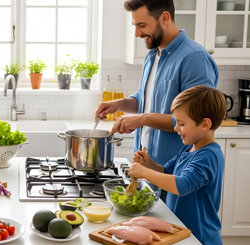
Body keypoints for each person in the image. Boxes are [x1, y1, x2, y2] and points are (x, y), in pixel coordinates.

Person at [95, 0, 218, 166]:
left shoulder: (194, 58)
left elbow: (197, 120)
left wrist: (141, 119)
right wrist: (120, 104)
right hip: (146, 163)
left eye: (142, 25)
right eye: (135, 26)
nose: (137, 33)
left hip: (176, 172)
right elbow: (146, 101)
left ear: (165, 18)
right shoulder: (153, 55)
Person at [129, 85, 227, 245]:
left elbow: (181, 185)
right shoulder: (188, 148)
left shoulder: (208, 156)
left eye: (181, 123)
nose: (175, 128)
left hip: (200, 237)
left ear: (205, 124)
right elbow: (166, 172)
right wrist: (148, 163)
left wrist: (143, 173)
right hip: (182, 232)